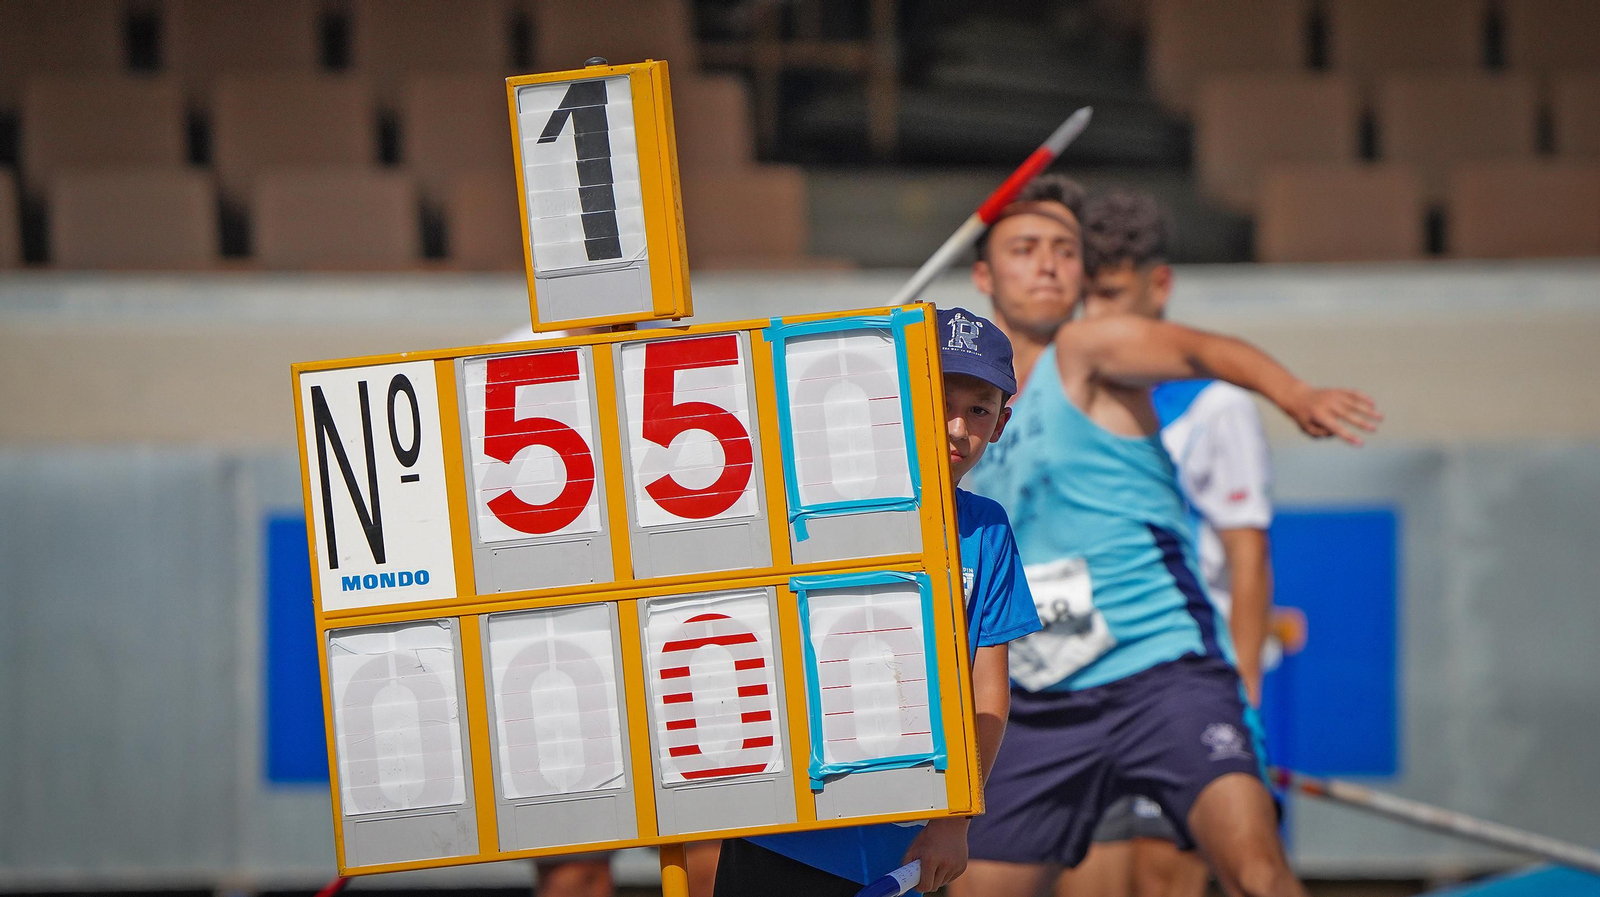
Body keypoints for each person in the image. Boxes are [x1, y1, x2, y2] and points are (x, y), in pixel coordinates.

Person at [948, 176, 1380, 897]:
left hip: (1161, 674)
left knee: (1258, 874)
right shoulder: (952, 404)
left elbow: (1204, 350)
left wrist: (1293, 393)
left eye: (1065, 249)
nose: (1050, 264)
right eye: (1026, 249)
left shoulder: (1089, 350)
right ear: (986, 275)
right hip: (1036, 692)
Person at [714, 307, 1045, 897]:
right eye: (935, 400)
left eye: (978, 410)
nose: (955, 428)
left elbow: (988, 690)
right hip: (780, 826)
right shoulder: (806, 503)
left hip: (900, 844)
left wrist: (954, 819)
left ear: (1001, 424)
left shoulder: (987, 528)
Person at [1052, 191, 1277, 897]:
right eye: (1087, 296)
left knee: (1165, 879)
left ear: (1161, 285)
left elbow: (1247, 555)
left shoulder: (1216, 403)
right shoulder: (1061, 391)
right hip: (1077, 680)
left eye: (1113, 295)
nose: (1098, 316)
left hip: (1179, 680)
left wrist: (1240, 693)